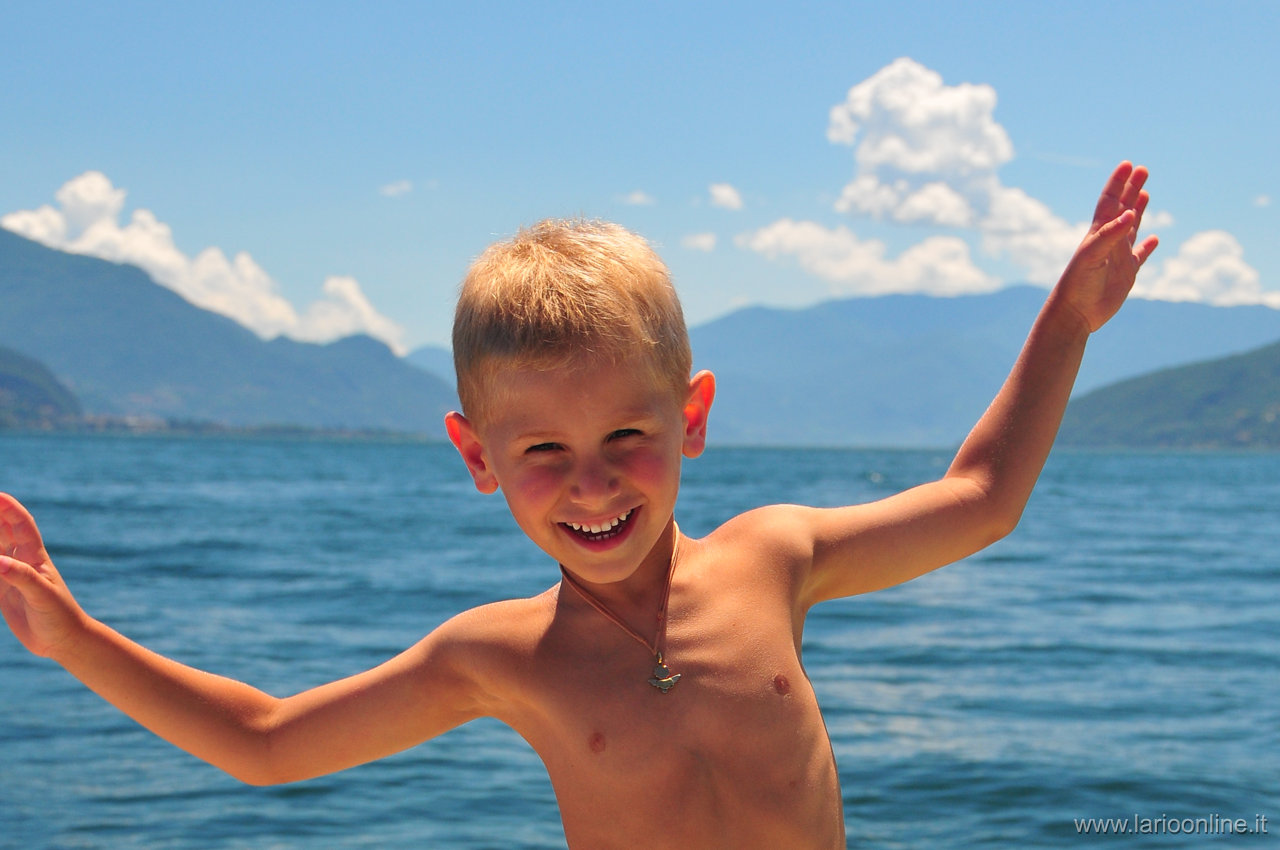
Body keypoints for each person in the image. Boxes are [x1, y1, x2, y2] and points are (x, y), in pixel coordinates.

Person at [0, 162, 1158, 848]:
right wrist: (76, 638)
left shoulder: (772, 559)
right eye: (543, 449)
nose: (593, 482)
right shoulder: (498, 657)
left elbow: (980, 496)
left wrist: (1064, 324)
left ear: (691, 418)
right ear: (477, 456)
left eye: (627, 438)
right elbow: (263, 741)